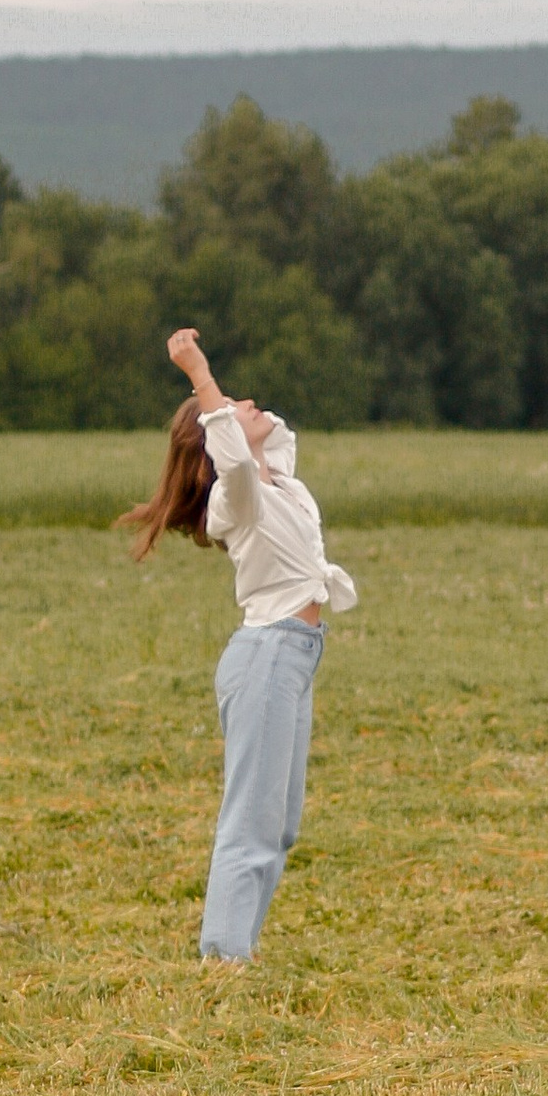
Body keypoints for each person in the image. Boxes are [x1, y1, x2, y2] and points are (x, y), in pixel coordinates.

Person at [121, 327, 358, 964]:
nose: (251, 402)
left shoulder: (280, 484)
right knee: (250, 825)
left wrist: (233, 418)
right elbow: (233, 452)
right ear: (213, 439)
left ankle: (237, 951)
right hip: (267, 657)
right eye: (232, 406)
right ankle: (223, 963)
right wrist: (198, 374)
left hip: (295, 656)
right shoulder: (236, 498)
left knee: (277, 827)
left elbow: (269, 439)